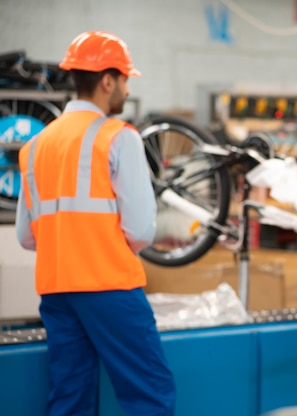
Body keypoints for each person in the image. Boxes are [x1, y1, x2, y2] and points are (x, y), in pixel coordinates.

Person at [15, 31, 176, 415]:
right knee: (149, 395)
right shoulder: (118, 137)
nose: (124, 88)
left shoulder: (35, 146)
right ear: (108, 80)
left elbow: (25, 235)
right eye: (124, 80)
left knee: (70, 398)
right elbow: (140, 231)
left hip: (56, 289)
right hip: (110, 285)